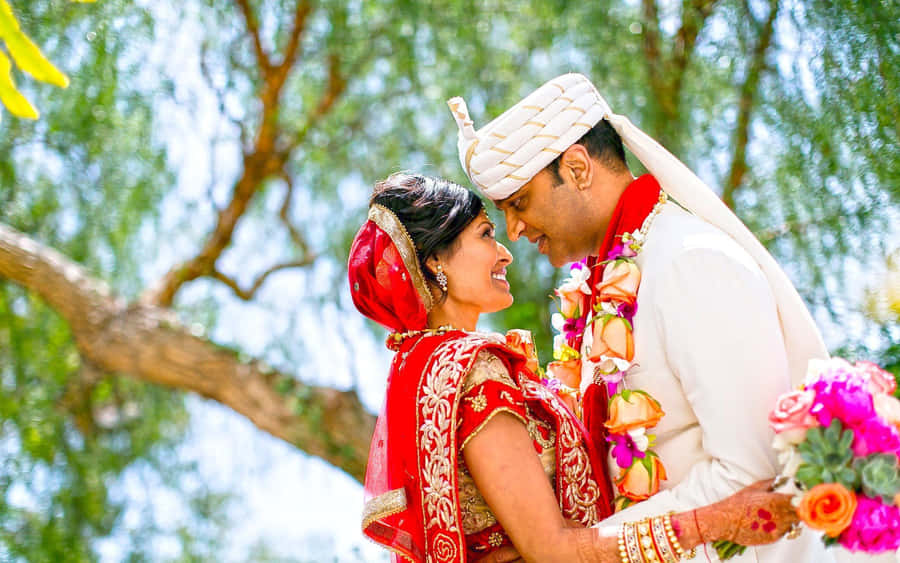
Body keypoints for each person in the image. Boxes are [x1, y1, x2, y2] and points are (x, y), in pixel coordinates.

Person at [445, 73, 834, 562]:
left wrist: (580, 549)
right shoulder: (602, 289)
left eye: (519, 203)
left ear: (578, 167)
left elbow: (753, 473)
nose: (515, 231)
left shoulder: (689, 261)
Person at [350, 172, 801, 562]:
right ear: (434, 260)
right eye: (487, 234)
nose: (505, 252)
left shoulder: (428, 364)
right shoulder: (472, 369)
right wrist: (712, 523)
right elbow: (552, 549)